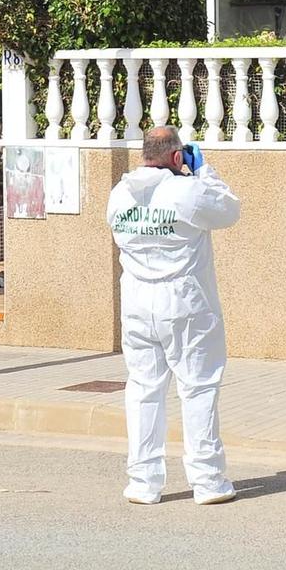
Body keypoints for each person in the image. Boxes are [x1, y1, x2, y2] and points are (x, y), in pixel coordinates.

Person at [105, 125, 242, 505]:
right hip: (185, 304)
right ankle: (208, 481)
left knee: (143, 390)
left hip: (136, 304)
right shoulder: (187, 191)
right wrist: (204, 170)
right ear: (177, 157)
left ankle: (143, 483)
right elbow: (229, 209)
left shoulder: (120, 194)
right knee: (198, 388)